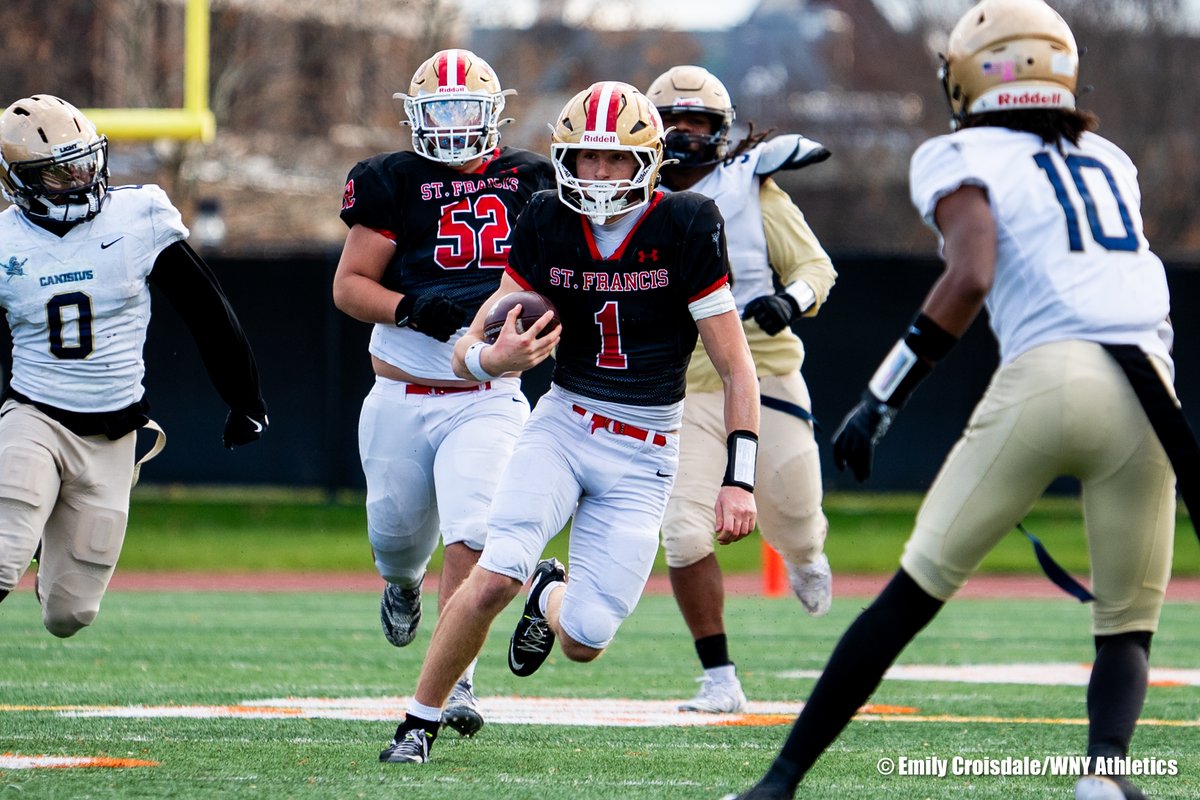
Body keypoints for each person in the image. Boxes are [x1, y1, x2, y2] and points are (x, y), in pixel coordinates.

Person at [727, 2, 1177, 799]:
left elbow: (969, 274)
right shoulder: (1110, 158)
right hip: (1151, 387)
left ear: (969, 75)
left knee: (910, 594)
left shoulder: (957, 152)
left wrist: (880, 398)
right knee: (1127, 622)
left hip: (1052, 374)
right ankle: (1105, 774)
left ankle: (778, 785)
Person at [377, 80, 760, 765]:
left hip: (646, 450)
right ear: (566, 160)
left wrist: (740, 479)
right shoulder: (547, 222)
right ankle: (418, 721)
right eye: (586, 158)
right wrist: (488, 359)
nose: (600, 173)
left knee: (586, 637)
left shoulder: (687, 223)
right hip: (565, 424)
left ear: (648, 160)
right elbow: (481, 331)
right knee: (494, 573)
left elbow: (736, 368)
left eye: (615, 159)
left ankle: (550, 592)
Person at [332, 48, 555, 738]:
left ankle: (454, 681)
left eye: (470, 112)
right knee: (397, 544)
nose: (457, 127)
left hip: (486, 394)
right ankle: (401, 586)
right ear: (416, 117)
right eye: (442, 112)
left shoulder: (532, 179)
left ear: (496, 114)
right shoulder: (389, 180)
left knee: (473, 532)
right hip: (402, 390)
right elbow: (349, 287)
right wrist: (409, 308)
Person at [0, 94, 267, 637]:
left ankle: (47, 539)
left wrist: (245, 399)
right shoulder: (6, 242)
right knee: (1, 555)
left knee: (68, 614)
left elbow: (206, 308)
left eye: (84, 163)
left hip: (116, 432)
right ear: (21, 182)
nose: (78, 179)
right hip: (36, 415)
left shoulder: (138, 214)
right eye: (58, 173)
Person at [646, 65, 838, 714]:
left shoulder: (752, 188)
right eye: (668, 120)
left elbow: (817, 267)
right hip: (681, 387)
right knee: (685, 534)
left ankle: (809, 553)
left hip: (764, 373)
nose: (679, 134)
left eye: (693, 122)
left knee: (793, 515)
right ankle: (719, 676)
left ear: (718, 131)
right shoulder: (630, 194)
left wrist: (791, 299)